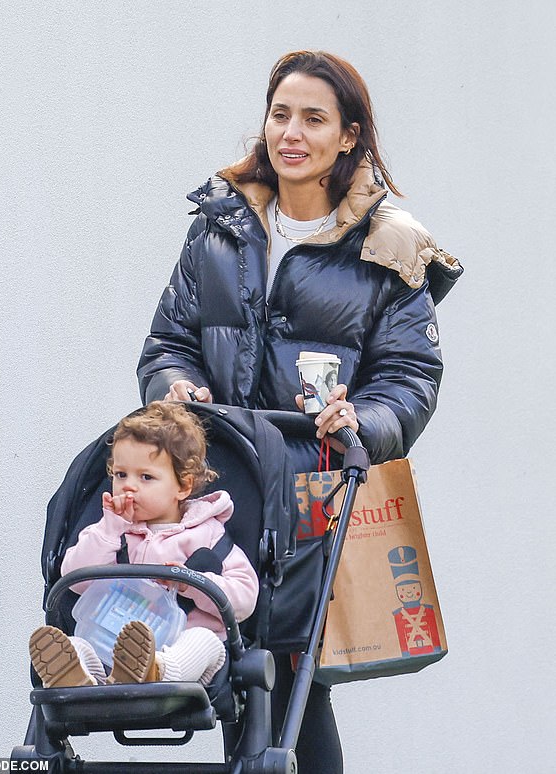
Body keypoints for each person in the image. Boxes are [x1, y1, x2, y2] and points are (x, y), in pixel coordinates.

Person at [137, 50, 462, 772]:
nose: (291, 132)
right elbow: (168, 342)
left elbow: (410, 377)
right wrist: (175, 387)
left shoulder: (389, 247)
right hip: (216, 487)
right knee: (234, 669)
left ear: (348, 136)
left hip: (310, 491)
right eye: (280, 114)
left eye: (313, 118)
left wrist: (363, 422)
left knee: (289, 681)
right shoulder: (217, 228)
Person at [29, 401, 259, 688]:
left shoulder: (207, 535)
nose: (128, 486)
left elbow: (245, 598)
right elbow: (75, 578)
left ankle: (157, 669)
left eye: (146, 477)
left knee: (204, 642)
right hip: (111, 647)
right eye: (120, 475)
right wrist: (110, 528)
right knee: (76, 642)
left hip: (184, 651)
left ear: (183, 486)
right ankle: (78, 677)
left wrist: (192, 583)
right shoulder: (113, 533)